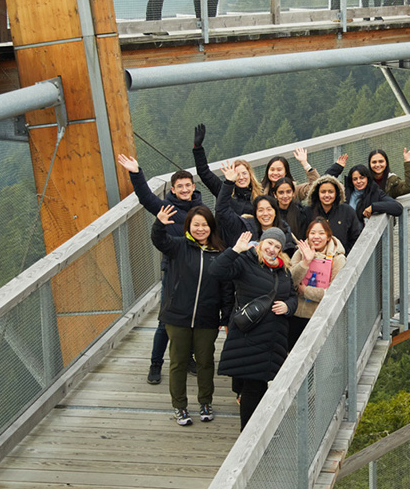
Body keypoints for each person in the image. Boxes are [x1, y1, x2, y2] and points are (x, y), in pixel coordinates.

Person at [116, 153, 204, 385]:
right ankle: (156, 364)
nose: (184, 190)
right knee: (165, 322)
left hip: (198, 271)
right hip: (174, 272)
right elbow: (145, 197)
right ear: (173, 190)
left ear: (193, 187)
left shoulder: (201, 209)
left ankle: (187, 358)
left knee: (192, 319)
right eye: (180, 187)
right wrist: (136, 172)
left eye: (188, 185)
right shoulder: (166, 208)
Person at [151, 204, 232, 426]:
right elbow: (159, 240)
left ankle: (205, 402)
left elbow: (226, 288)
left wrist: (225, 317)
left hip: (207, 317)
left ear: (211, 227)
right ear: (189, 226)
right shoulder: (178, 246)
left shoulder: (220, 253)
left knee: (205, 361)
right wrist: (159, 224)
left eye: (204, 225)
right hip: (177, 316)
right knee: (178, 362)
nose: (200, 229)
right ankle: (180, 406)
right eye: (196, 224)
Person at [215, 226, 297, 429]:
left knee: (261, 387)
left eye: (277, 246)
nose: (272, 249)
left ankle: (256, 432)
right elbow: (216, 271)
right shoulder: (245, 262)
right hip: (250, 336)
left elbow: (292, 296)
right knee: (252, 387)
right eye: (269, 243)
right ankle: (248, 435)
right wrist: (235, 250)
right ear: (262, 243)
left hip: (273, 339)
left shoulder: (284, 270)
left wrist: (288, 306)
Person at [287, 218, 346, 347]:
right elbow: (290, 281)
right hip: (296, 314)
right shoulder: (299, 252)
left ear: (328, 237)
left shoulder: (338, 259)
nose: (316, 237)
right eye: (312, 233)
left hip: (320, 317)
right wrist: (305, 262)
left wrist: (306, 291)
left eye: (321, 233)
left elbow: (335, 292)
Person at [191, 124, 262, 218]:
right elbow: (203, 172)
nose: (241, 177)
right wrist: (198, 148)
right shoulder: (224, 192)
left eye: (244, 173)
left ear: (250, 174)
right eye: (237, 174)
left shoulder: (260, 195)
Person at [303, 175, 362, 253]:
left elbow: (355, 237)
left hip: (342, 258)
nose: (327, 195)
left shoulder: (347, 211)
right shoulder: (308, 211)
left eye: (331, 192)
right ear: (317, 193)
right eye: (323, 192)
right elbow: (303, 236)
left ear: (336, 193)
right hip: (314, 258)